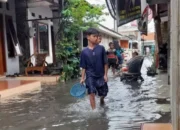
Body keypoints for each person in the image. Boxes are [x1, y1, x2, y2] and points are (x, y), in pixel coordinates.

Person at [80, 28, 108, 110]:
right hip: (90, 75)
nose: (96, 38)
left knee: (103, 93)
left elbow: (105, 63)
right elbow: (83, 66)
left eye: (97, 36)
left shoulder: (101, 48)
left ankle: (102, 99)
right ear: (88, 37)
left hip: (100, 75)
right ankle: (94, 110)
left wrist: (105, 75)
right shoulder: (84, 52)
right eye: (94, 36)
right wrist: (82, 78)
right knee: (91, 92)